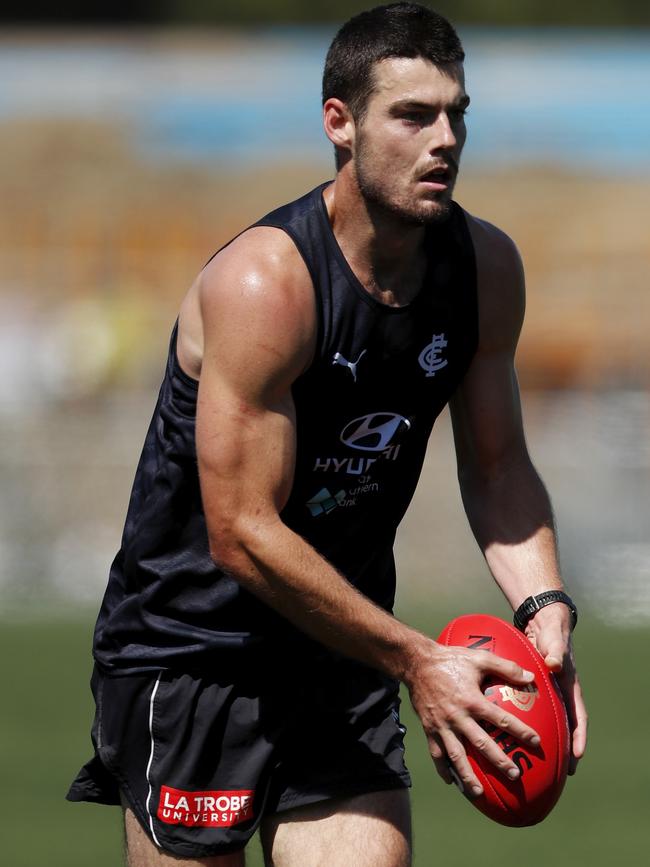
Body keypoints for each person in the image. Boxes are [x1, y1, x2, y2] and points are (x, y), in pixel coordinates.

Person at [68, 3, 587, 865]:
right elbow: (243, 532)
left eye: (458, 113)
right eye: (413, 115)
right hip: (195, 651)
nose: (445, 139)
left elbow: (498, 468)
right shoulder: (267, 284)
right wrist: (419, 659)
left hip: (343, 646)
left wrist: (546, 608)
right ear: (338, 124)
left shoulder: (485, 269)